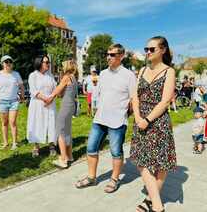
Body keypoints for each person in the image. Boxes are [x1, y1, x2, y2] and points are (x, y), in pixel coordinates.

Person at [75, 43, 136, 193]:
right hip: (100, 119)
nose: (109, 57)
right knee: (91, 148)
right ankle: (91, 177)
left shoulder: (128, 75)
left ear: (121, 56)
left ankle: (114, 179)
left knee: (116, 151)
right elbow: (101, 95)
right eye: (107, 54)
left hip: (117, 121)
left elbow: (134, 99)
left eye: (112, 55)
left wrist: (125, 114)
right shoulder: (102, 74)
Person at [130, 36, 176, 212]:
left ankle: (152, 201)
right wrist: (138, 117)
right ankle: (157, 204)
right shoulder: (141, 71)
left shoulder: (168, 72)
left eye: (152, 49)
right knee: (141, 161)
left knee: (160, 163)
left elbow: (165, 102)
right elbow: (135, 96)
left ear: (163, 50)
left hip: (158, 121)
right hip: (140, 120)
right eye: (146, 49)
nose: (147, 52)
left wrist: (148, 120)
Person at [0, 55, 24, 150]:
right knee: (4, 123)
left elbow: (21, 86)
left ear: (12, 64)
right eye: (6, 62)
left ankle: (14, 143)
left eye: (10, 62)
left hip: (14, 101)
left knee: (12, 122)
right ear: (2, 64)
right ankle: (5, 142)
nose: (8, 63)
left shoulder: (16, 74)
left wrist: (22, 96)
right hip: (2, 102)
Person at [48, 59, 78, 169]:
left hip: (66, 105)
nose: (61, 68)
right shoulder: (73, 78)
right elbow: (62, 92)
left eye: (62, 67)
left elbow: (57, 91)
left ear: (66, 67)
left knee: (60, 131)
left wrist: (48, 98)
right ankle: (70, 156)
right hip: (71, 106)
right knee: (67, 131)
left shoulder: (66, 77)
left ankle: (63, 159)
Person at [27, 55, 57, 157]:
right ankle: (36, 146)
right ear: (40, 63)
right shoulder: (33, 76)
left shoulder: (51, 75)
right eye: (46, 62)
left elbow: (55, 88)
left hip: (50, 103)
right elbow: (34, 91)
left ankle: (52, 145)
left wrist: (51, 98)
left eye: (48, 62)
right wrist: (45, 98)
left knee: (51, 124)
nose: (48, 64)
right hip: (38, 104)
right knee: (37, 124)